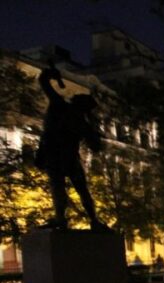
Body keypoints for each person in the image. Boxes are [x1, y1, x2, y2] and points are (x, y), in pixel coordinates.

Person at [35, 66, 108, 231]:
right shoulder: (81, 122)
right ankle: (93, 220)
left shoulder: (59, 104)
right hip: (66, 157)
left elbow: (43, 82)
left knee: (59, 187)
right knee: (80, 189)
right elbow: (96, 147)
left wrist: (49, 75)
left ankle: (61, 218)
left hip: (53, 155)